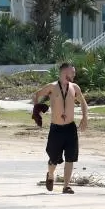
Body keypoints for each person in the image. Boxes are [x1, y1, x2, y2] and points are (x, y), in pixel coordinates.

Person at [30, 62, 89, 194]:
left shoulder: (75, 87)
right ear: (65, 72)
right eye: (72, 72)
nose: (74, 74)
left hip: (70, 128)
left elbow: (84, 103)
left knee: (70, 157)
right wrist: (36, 109)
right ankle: (50, 175)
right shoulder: (52, 87)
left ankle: (66, 186)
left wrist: (85, 118)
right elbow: (36, 95)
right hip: (56, 128)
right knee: (53, 159)